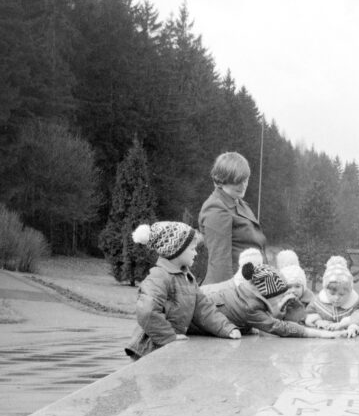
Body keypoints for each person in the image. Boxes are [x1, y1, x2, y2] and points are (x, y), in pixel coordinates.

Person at [124, 221, 240, 359]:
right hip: (149, 348)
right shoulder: (159, 276)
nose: (195, 253)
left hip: (167, 345)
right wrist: (169, 336)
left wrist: (226, 328)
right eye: (192, 249)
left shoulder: (187, 278)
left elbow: (203, 309)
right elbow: (147, 311)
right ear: (176, 250)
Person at [201, 262, 340, 339]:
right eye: (279, 295)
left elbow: (233, 312)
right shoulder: (250, 307)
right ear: (267, 295)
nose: (282, 297)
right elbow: (279, 327)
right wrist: (321, 334)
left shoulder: (243, 290)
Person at [198, 151, 267, 284]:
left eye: (245, 180)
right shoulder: (215, 209)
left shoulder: (239, 202)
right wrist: (227, 300)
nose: (243, 186)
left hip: (249, 286)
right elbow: (220, 263)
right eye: (237, 182)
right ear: (221, 180)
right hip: (232, 291)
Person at [306, 256, 359, 330]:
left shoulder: (355, 305)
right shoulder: (317, 302)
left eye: (341, 294)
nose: (337, 298)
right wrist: (317, 321)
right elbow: (308, 313)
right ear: (325, 290)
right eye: (332, 294)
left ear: (350, 292)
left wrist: (347, 324)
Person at [275, 250, 311, 323]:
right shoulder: (278, 299)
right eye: (289, 287)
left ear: (303, 288)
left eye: (297, 286)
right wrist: (282, 303)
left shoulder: (309, 299)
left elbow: (313, 312)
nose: (293, 290)